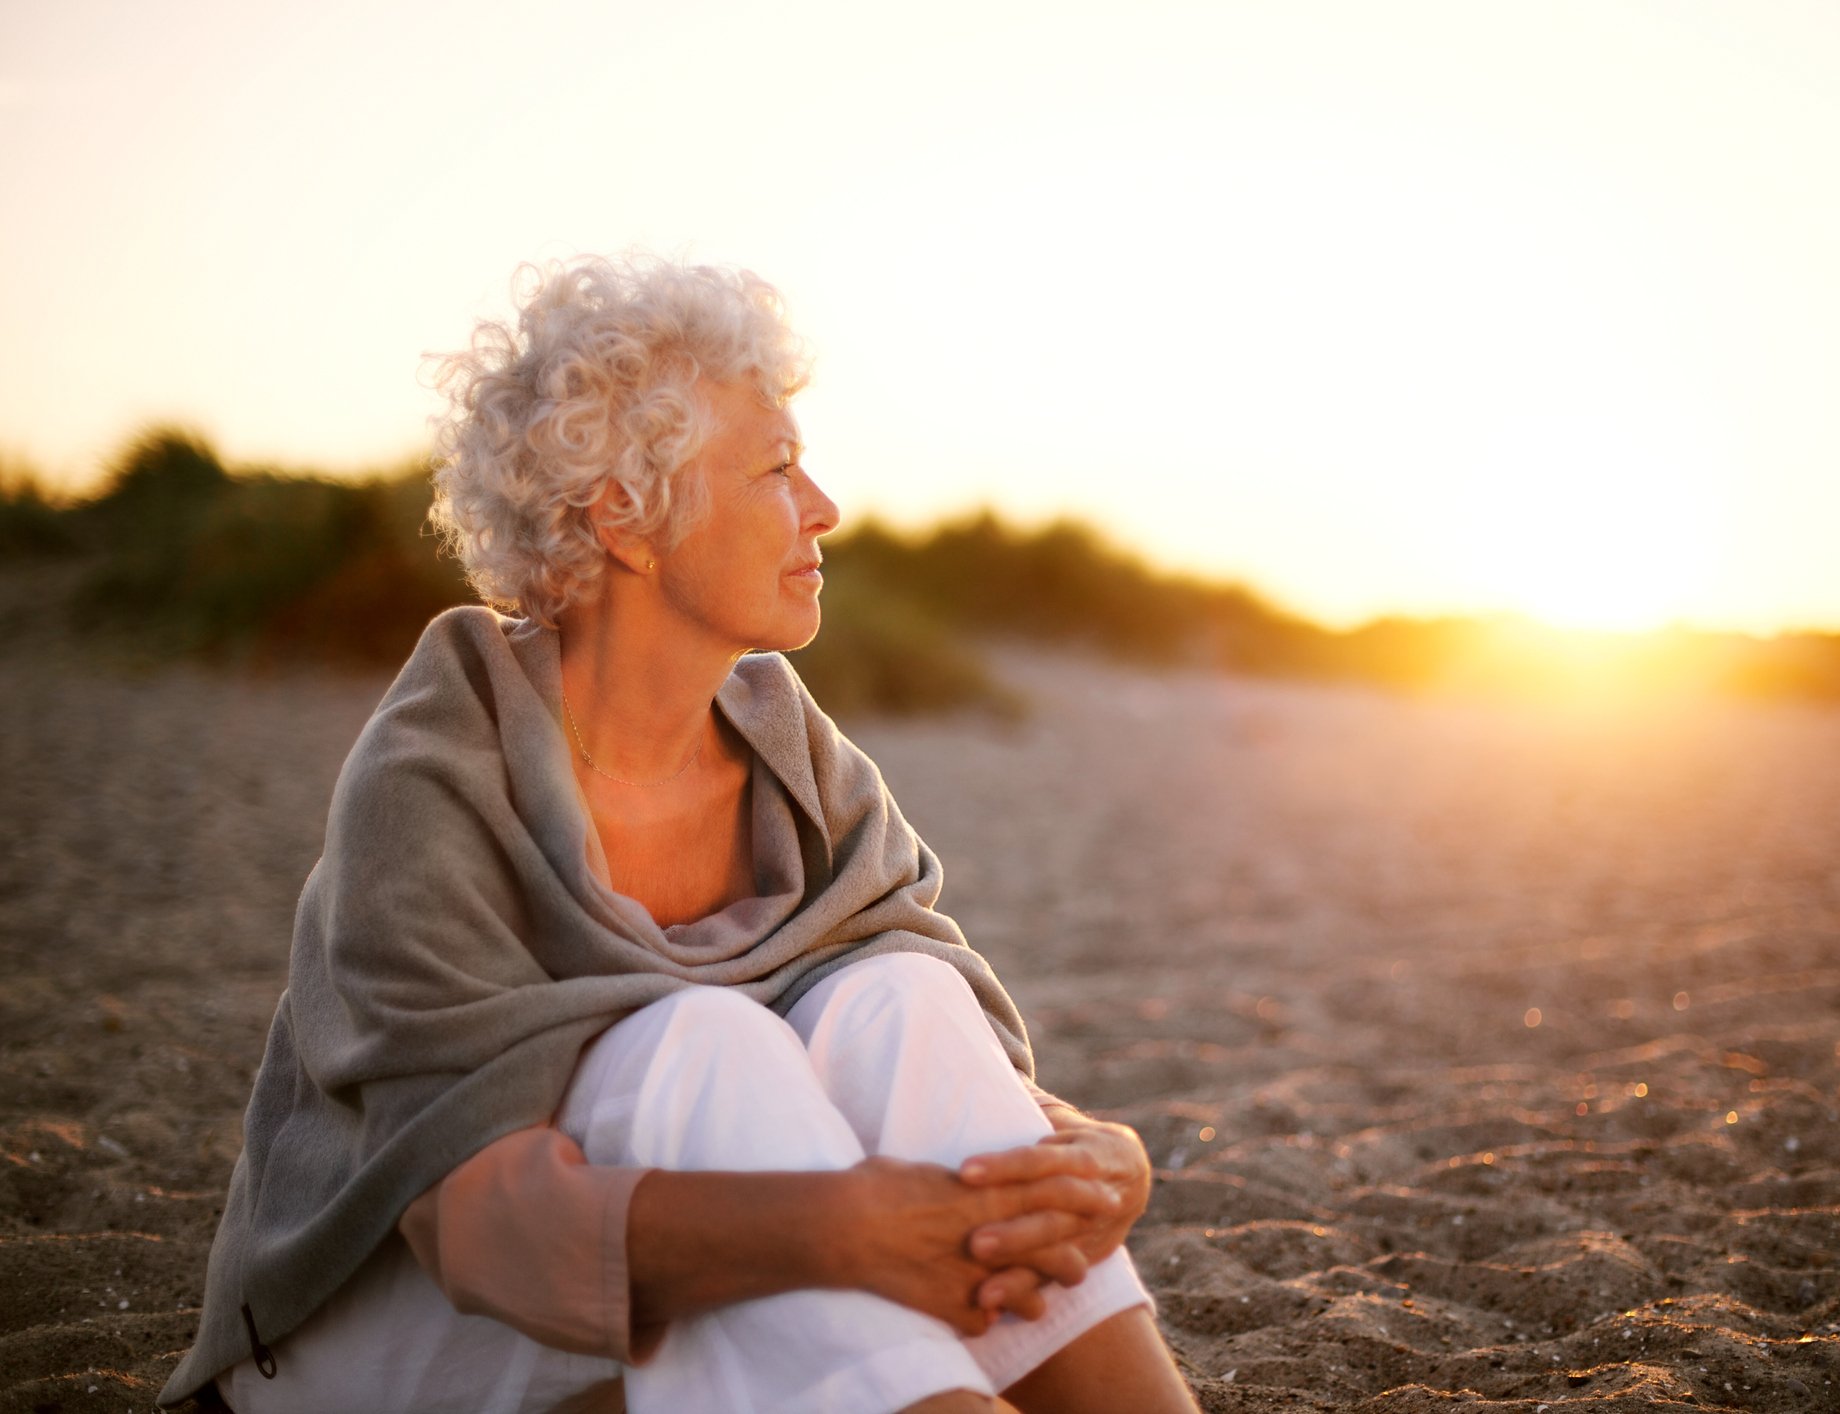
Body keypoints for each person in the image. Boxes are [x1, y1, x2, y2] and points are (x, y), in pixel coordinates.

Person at [158, 256, 1198, 1414]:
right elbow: (478, 1224)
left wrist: (1098, 1156)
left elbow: (936, 1070)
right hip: (388, 1335)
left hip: (684, 1289)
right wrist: (838, 1230)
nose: (824, 507)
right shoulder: (439, 771)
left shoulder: (788, 752)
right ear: (626, 516)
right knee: (702, 1038)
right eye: (776, 467)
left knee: (898, 995)